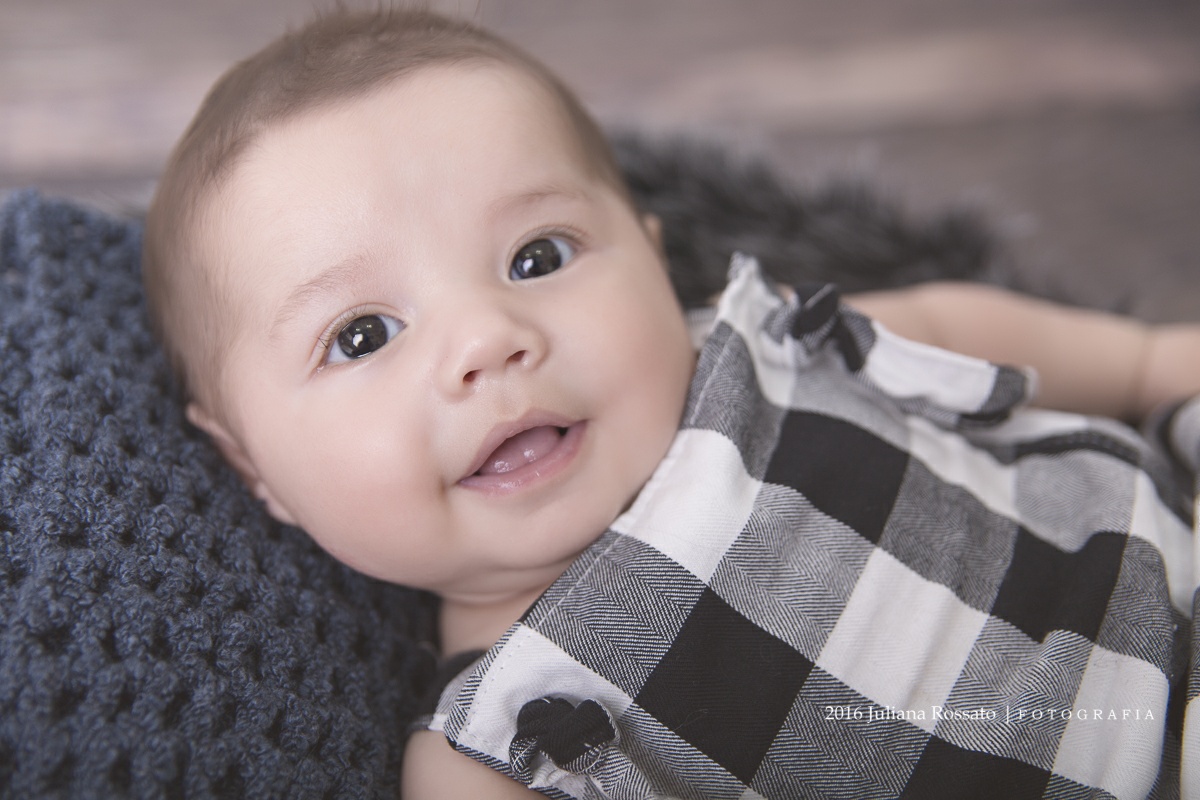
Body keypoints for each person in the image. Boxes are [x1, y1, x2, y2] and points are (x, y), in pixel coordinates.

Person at [141, 8, 1200, 798]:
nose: (486, 340)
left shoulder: (752, 347)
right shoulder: (488, 746)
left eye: (536, 254)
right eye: (362, 334)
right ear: (254, 471)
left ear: (653, 264)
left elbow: (951, 325)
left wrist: (1153, 362)